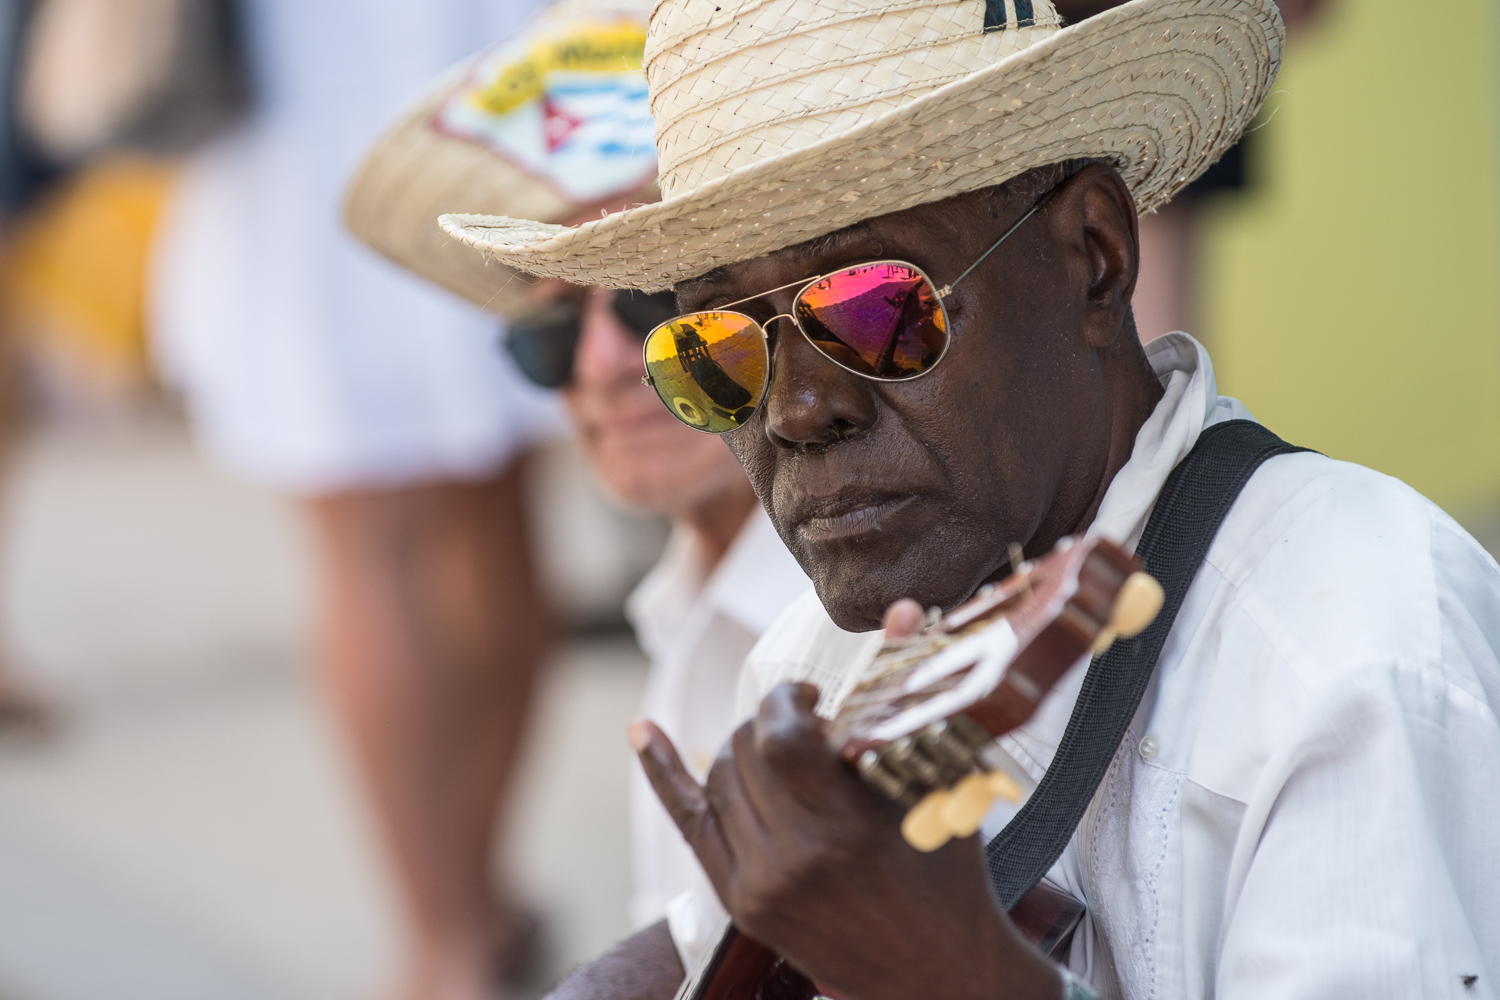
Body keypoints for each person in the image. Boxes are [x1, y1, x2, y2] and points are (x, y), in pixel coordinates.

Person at [437, 0, 1500, 997]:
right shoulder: (820, 663)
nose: (798, 409)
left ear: (1094, 257)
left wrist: (953, 971)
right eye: (717, 349)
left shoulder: (1354, 650)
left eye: (875, 308)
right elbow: (684, 952)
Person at [343, 1, 812, 963]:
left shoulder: (842, 616)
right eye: (549, 329)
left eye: (652, 296)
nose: (599, 364)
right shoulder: (704, 596)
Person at [148, 2, 567, 998]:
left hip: (322, 78)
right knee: (491, 506)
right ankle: (473, 908)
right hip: (491, 69)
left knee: (378, 541)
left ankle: (446, 933)